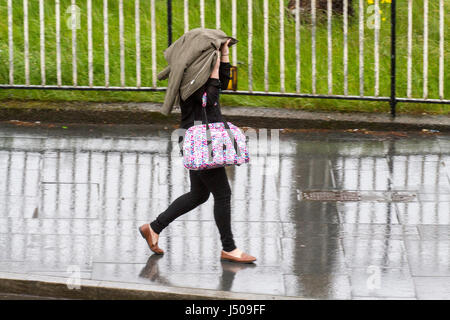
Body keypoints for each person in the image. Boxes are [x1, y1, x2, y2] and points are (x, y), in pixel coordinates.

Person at [139, 38, 256, 263]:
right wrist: (213, 65)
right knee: (223, 194)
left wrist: (223, 53)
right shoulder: (190, 80)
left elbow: (226, 82)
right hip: (201, 143)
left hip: (200, 142)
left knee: (199, 194)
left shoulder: (199, 76)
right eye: (210, 56)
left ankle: (153, 228)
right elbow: (209, 99)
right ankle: (229, 248)